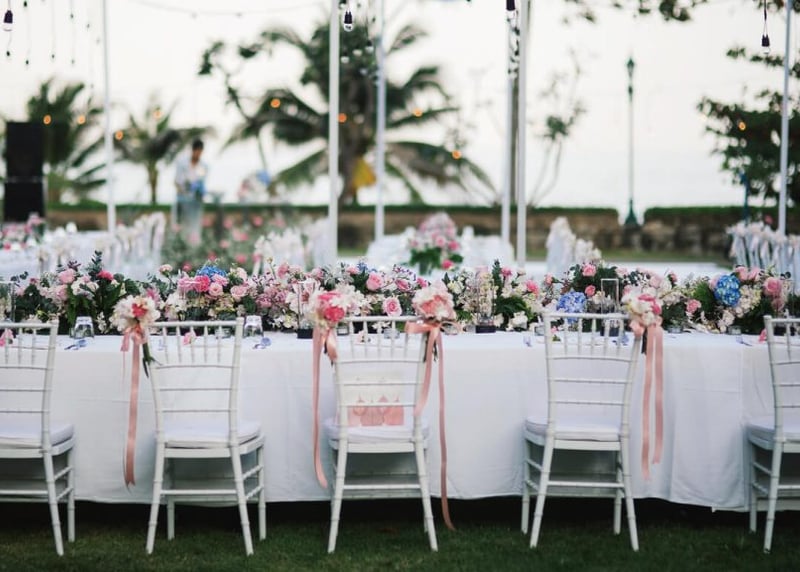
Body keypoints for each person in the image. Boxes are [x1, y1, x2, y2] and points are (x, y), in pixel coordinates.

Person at [174, 138, 208, 242]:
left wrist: (199, 191)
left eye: (200, 151)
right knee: (182, 227)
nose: (198, 153)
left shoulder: (203, 166)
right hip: (183, 201)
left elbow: (201, 183)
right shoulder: (182, 164)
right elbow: (177, 182)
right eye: (196, 150)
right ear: (193, 150)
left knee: (195, 228)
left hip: (196, 203)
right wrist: (184, 191)